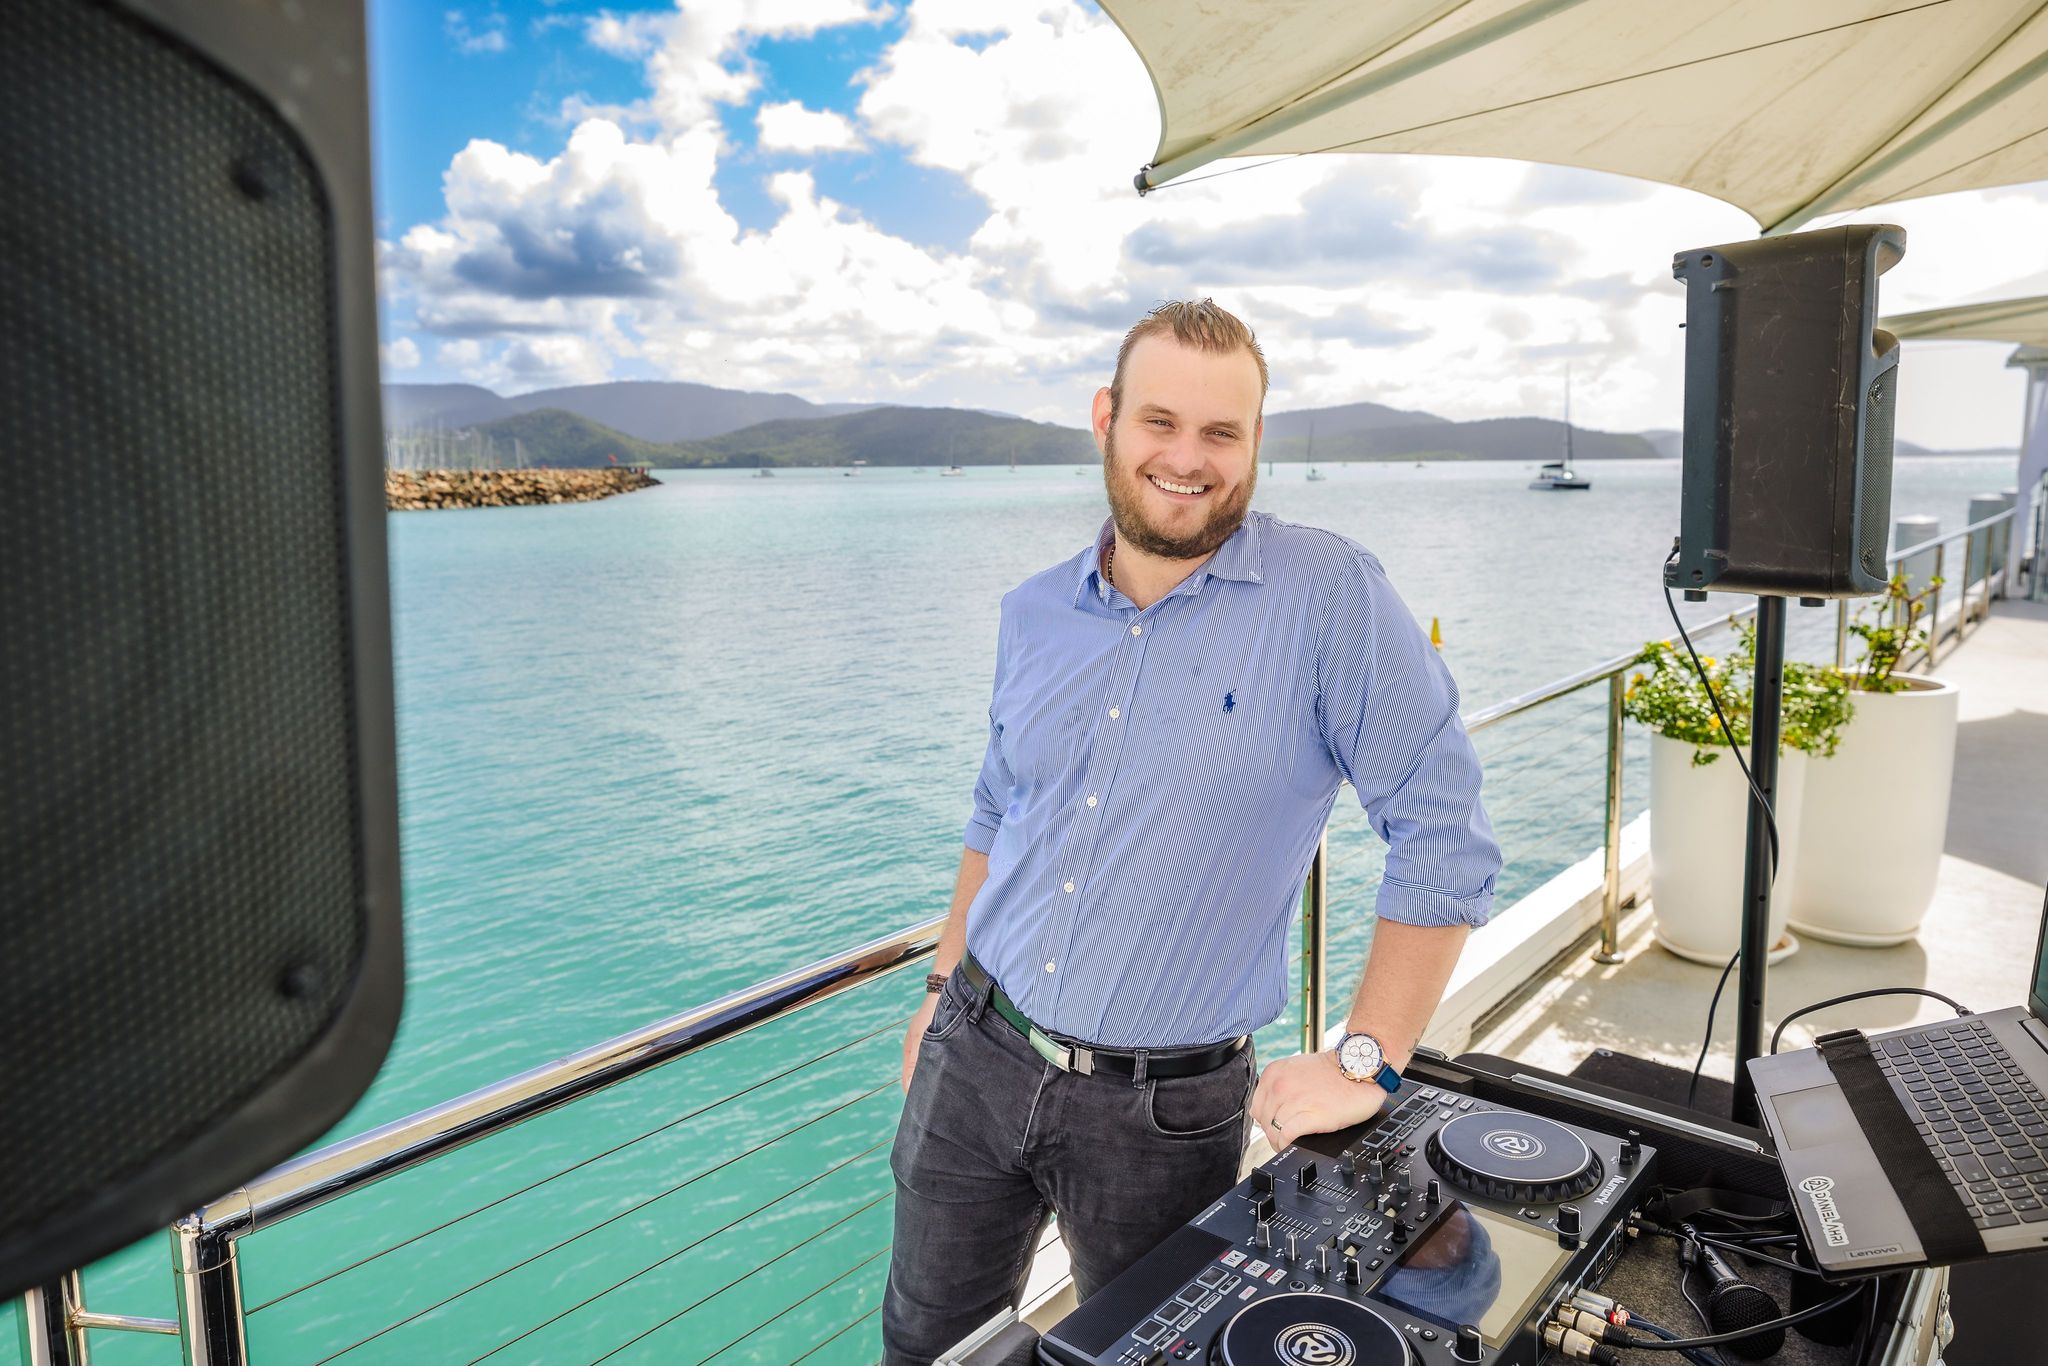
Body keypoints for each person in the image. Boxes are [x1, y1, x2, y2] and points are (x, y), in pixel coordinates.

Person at [882, 299, 1501, 1364]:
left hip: (1161, 1112)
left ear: (1256, 444)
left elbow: (1442, 835)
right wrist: (940, 988)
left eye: (1221, 433)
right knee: (924, 1347)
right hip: (973, 1054)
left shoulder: (1328, 596)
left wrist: (1368, 1056)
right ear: (1104, 420)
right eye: (1157, 422)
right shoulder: (1033, 610)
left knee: (1147, 1354)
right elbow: (996, 809)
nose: (1186, 458)